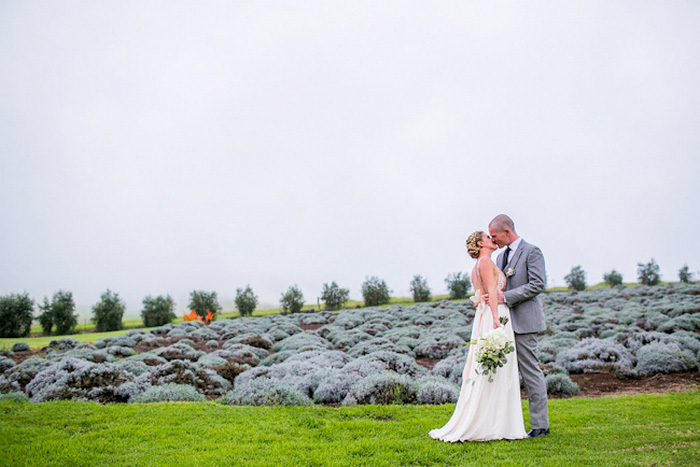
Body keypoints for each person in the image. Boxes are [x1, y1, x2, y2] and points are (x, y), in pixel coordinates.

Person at [429, 231, 527, 442]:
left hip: (488, 313)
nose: (493, 239)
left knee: (495, 368)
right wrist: (494, 320)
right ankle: (494, 424)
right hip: (495, 313)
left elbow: (479, 294)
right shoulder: (484, 262)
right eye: (488, 237)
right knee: (497, 368)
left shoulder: (482, 264)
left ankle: (498, 421)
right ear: (481, 243)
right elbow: (491, 292)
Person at [487, 214, 549, 438]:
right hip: (505, 323)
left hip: (525, 322)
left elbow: (538, 284)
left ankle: (540, 425)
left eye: (495, 236)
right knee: (506, 374)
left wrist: (506, 297)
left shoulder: (532, 251)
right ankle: (506, 424)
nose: (493, 241)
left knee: (530, 372)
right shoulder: (501, 257)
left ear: (507, 231)